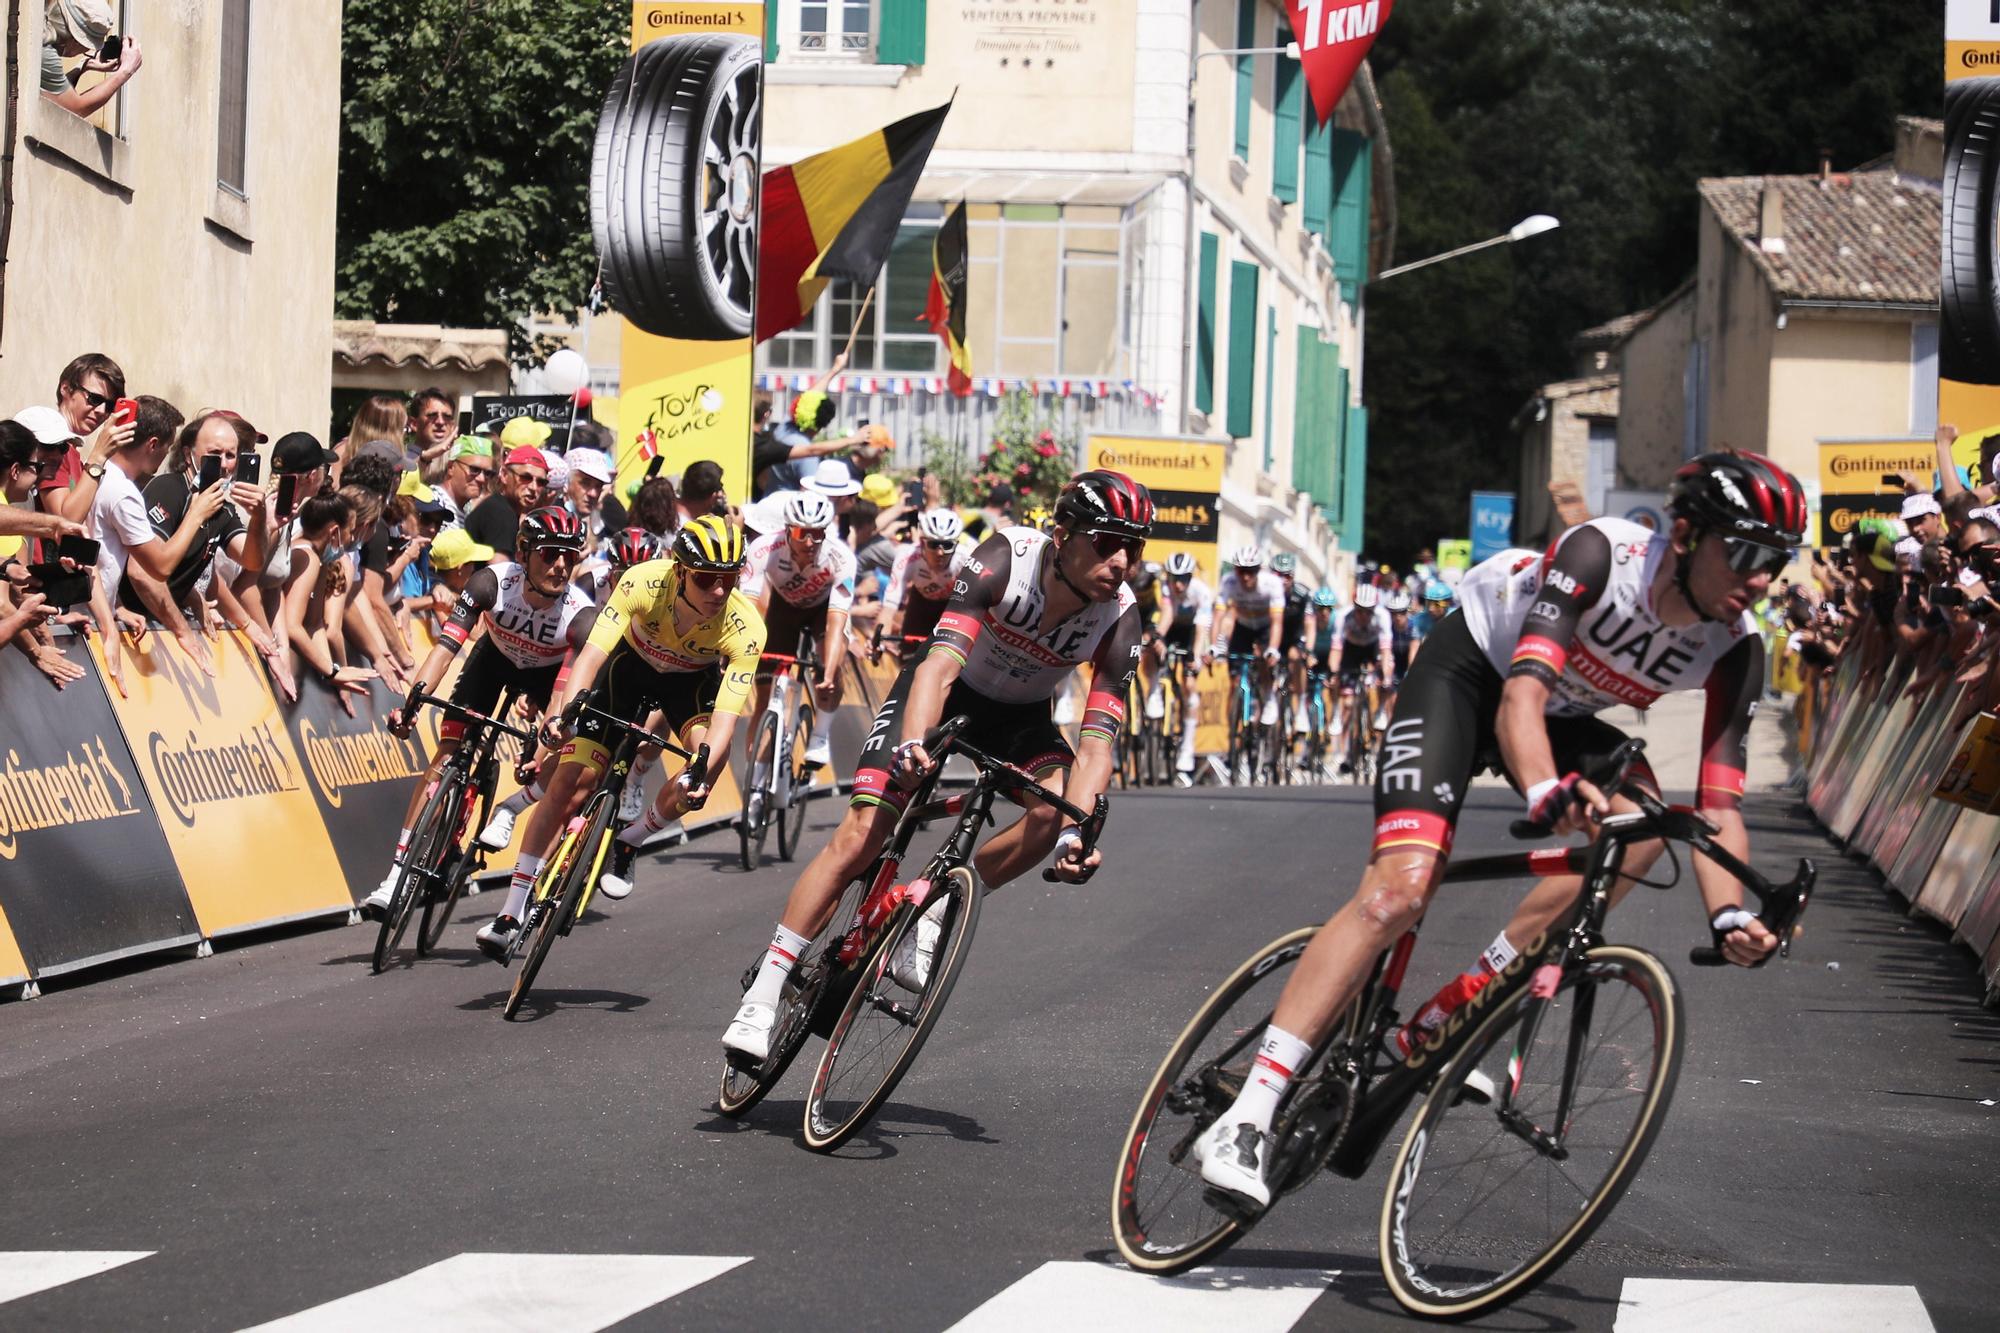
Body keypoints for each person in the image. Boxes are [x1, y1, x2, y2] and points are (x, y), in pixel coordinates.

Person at [1194, 451, 1802, 1208]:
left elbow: (1717, 808)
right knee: (1399, 892)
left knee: (1645, 827)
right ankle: (1248, 1115)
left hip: (1565, 715)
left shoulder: (1737, 647)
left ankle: (1465, 1001)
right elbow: (1520, 700)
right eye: (1744, 552)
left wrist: (1732, 913)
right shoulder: (1601, 555)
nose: (1760, 576)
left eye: (1776, 560)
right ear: (1685, 534)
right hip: (1469, 676)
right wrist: (1546, 790)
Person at [722, 470, 1154, 1062]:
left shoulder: (1122, 618)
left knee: (1053, 812)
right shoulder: (1006, 558)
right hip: (949, 692)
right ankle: (765, 992)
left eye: (1135, 546)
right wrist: (913, 744)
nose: (1124, 561)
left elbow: (1099, 742)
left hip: (1022, 717)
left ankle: (935, 911)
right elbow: (937, 668)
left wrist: (1075, 833)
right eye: (1109, 542)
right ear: (1064, 534)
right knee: (861, 834)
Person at [487, 516, 763, 943]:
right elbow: (592, 656)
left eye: (729, 579)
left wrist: (700, 765)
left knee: (708, 763)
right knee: (568, 783)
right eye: (707, 579)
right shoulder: (642, 581)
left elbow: (725, 717)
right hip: (628, 669)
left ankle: (631, 840)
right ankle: (510, 911)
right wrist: (566, 712)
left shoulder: (746, 627)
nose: (719, 591)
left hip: (688, 684)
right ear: (680, 571)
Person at [373, 507, 599, 915]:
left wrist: (547, 741)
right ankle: (396, 876)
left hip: (546, 676)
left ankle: (509, 808)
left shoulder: (580, 615)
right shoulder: (490, 583)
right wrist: (413, 701)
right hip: (492, 661)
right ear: (524, 552)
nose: (561, 565)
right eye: (549, 554)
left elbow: (562, 694)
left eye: (570, 556)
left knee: (567, 740)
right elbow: (445, 650)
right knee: (447, 752)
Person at [121, 405, 277, 675]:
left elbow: (251, 559)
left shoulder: (223, 508)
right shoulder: (169, 488)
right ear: (188, 454)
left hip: (159, 633)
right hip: (131, 629)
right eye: (214, 454)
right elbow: (141, 573)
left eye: (231, 455)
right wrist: (182, 629)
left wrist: (259, 517)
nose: (225, 464)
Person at [740, 491, 856, 769]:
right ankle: (755, 778)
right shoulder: (763, 549)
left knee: (832, 659)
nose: (810, 541)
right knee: (764, 697)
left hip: (823, 610)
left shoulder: (841, 557)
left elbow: (837, 620)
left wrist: (828, 671)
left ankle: (820, 735)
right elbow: (749, 605)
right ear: (788, 529)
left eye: (818, 533)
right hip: (783, 609)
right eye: (803, 532)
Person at [1208, 545, 1287, 756]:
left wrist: (1272, 649)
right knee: (1235, 681)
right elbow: (1218, 616)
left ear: (1259, 570)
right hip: (1243, 627)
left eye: (1251, 571)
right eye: (1241, 571)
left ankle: (1268, 697)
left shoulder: (1272, 584)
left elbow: (1277, 622)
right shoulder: (1229, 582)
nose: (1245, 577)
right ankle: (1234, 726)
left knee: (1263, 660)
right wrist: (1213, 646)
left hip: (1264, 627)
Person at [875, 508, 970, 662]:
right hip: (920, 603)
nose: (940, 552)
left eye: (947, 545)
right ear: (922, 542)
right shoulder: (907, 558)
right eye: (934, 544)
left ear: (957, 544)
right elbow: (889, 607)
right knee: (908, 658)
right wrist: (880, 640)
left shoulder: (966, 559)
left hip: (952, 607)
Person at [1327, 581, 1395, 773]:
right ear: (1354, 607)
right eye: (1360, 611)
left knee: (1386, 674)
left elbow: (1386, 650)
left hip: (1373, 648)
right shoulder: (1343, 616)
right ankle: (1348, 751)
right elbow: (1336, 650)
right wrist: (1333, 673)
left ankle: (1380, 710)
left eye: (1368, 611)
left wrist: (1386, 678)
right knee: (1348, 703)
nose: (1364, 616)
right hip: (1351, 650)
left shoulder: (1382, 616)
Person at [1159, 551, 1214, 784]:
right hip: (1173, 628)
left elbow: (1201, 629)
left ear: (1191, 578)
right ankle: (1154, 696)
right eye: (1174, 578)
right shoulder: (1165, 588)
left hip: (1193, 633)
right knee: (1153, 648)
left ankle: (1187, 751)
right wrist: (1158, 638)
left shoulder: (1201, 592)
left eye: (1184, 579)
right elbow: (1167, 615)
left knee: (1189, 686)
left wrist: (1196, 655)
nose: (1178, 584)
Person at [40, 0, 141, 120]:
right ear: (75, 41)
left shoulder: (43, 38)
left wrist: (84, 66)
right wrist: (125, 71)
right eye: (87, 47)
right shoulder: (45, 52)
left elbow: (58, 94)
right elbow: (75, 108)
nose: (86, 51)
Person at [465, 445, 549, 559]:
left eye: (541, 482)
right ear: (504, 475)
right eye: (525, 477)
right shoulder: (500, 513)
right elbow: (499, 571)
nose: (534, 487)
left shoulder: (503, 508)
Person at [1271, 552, 1316, 736]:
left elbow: (1310, 625)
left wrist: (1309, 650)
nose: (1282, 581)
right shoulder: (1265, 591)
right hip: (1273, 637)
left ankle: (1301, 708)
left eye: (1287, 576)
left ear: (1293, 576)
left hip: (1294, 637)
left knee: (1295, 657)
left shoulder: (1303, 594)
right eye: (1278, 576)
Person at [434, 438, 495, 527]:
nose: (482, 479)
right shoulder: (434, 502)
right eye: (474, 469)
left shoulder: (468, 516)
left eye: (487, 473)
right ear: (451, 467)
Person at [563, 447, 616, 545]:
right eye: (585, 483)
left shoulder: (603, 524)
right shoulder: (552, 521)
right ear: (567, 481)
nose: (593, 493)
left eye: (598, 486)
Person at [407, 388, 459, 484]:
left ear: (452, 425)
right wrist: (425, 458)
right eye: (432, 416)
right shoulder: (401, 459)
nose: (440, 422)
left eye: (447, 417)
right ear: (414, 424)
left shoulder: (459, 462)